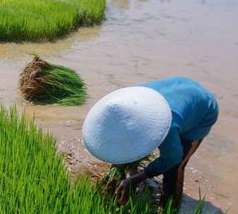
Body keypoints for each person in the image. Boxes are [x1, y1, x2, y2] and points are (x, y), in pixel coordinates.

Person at [82, 76, 219, 209]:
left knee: (175, 167)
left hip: (202, 110)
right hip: (179, 86)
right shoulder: (128, 100)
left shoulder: (168, 126)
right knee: (124, 146)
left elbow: (172, 157)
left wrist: (137, 178)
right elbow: (122, 141)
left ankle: (170, 207)